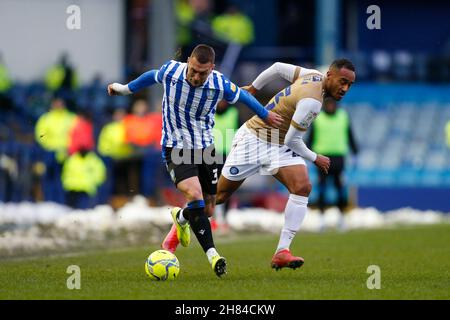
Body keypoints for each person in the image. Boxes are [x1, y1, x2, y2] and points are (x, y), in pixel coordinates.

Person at [107, 44, 282, 277]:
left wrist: (265, 114)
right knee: (195, 196)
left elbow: (243, 97)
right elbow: (151, 76)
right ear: (188, 61)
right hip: (176, 148)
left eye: (203, 72)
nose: (197, 76)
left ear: (212, 68)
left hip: (205, 148)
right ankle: (213, 256)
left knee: (209, 208)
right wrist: (123, 89)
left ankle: (180, 218)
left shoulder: (219, 83)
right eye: (194, 70)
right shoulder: (172, 71)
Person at [215, 59, 356, 270]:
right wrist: (315, 157)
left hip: (278, 145)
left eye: (349, 85)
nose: (345, 88)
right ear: (330, 75)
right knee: (217, 197)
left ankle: (282, 251)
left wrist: (254, 87)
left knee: (302, 186)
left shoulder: (311, 74)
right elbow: (293, 140)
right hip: (254, 140)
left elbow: (278, 67)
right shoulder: (313, 102)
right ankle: (179, 224)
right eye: (342, 81)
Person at [306, 97, 359, 231]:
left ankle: (341, 219)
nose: (330, 106)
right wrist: (307, 153)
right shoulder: (318, 118)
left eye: (332, 104)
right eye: (328, 104)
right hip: (322, 158)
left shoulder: (343, 116)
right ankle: (322, 220)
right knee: (322, 189)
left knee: (340, 189)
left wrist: (354, 150)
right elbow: (310, 138)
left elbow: (349, 134)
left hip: (339, 159)